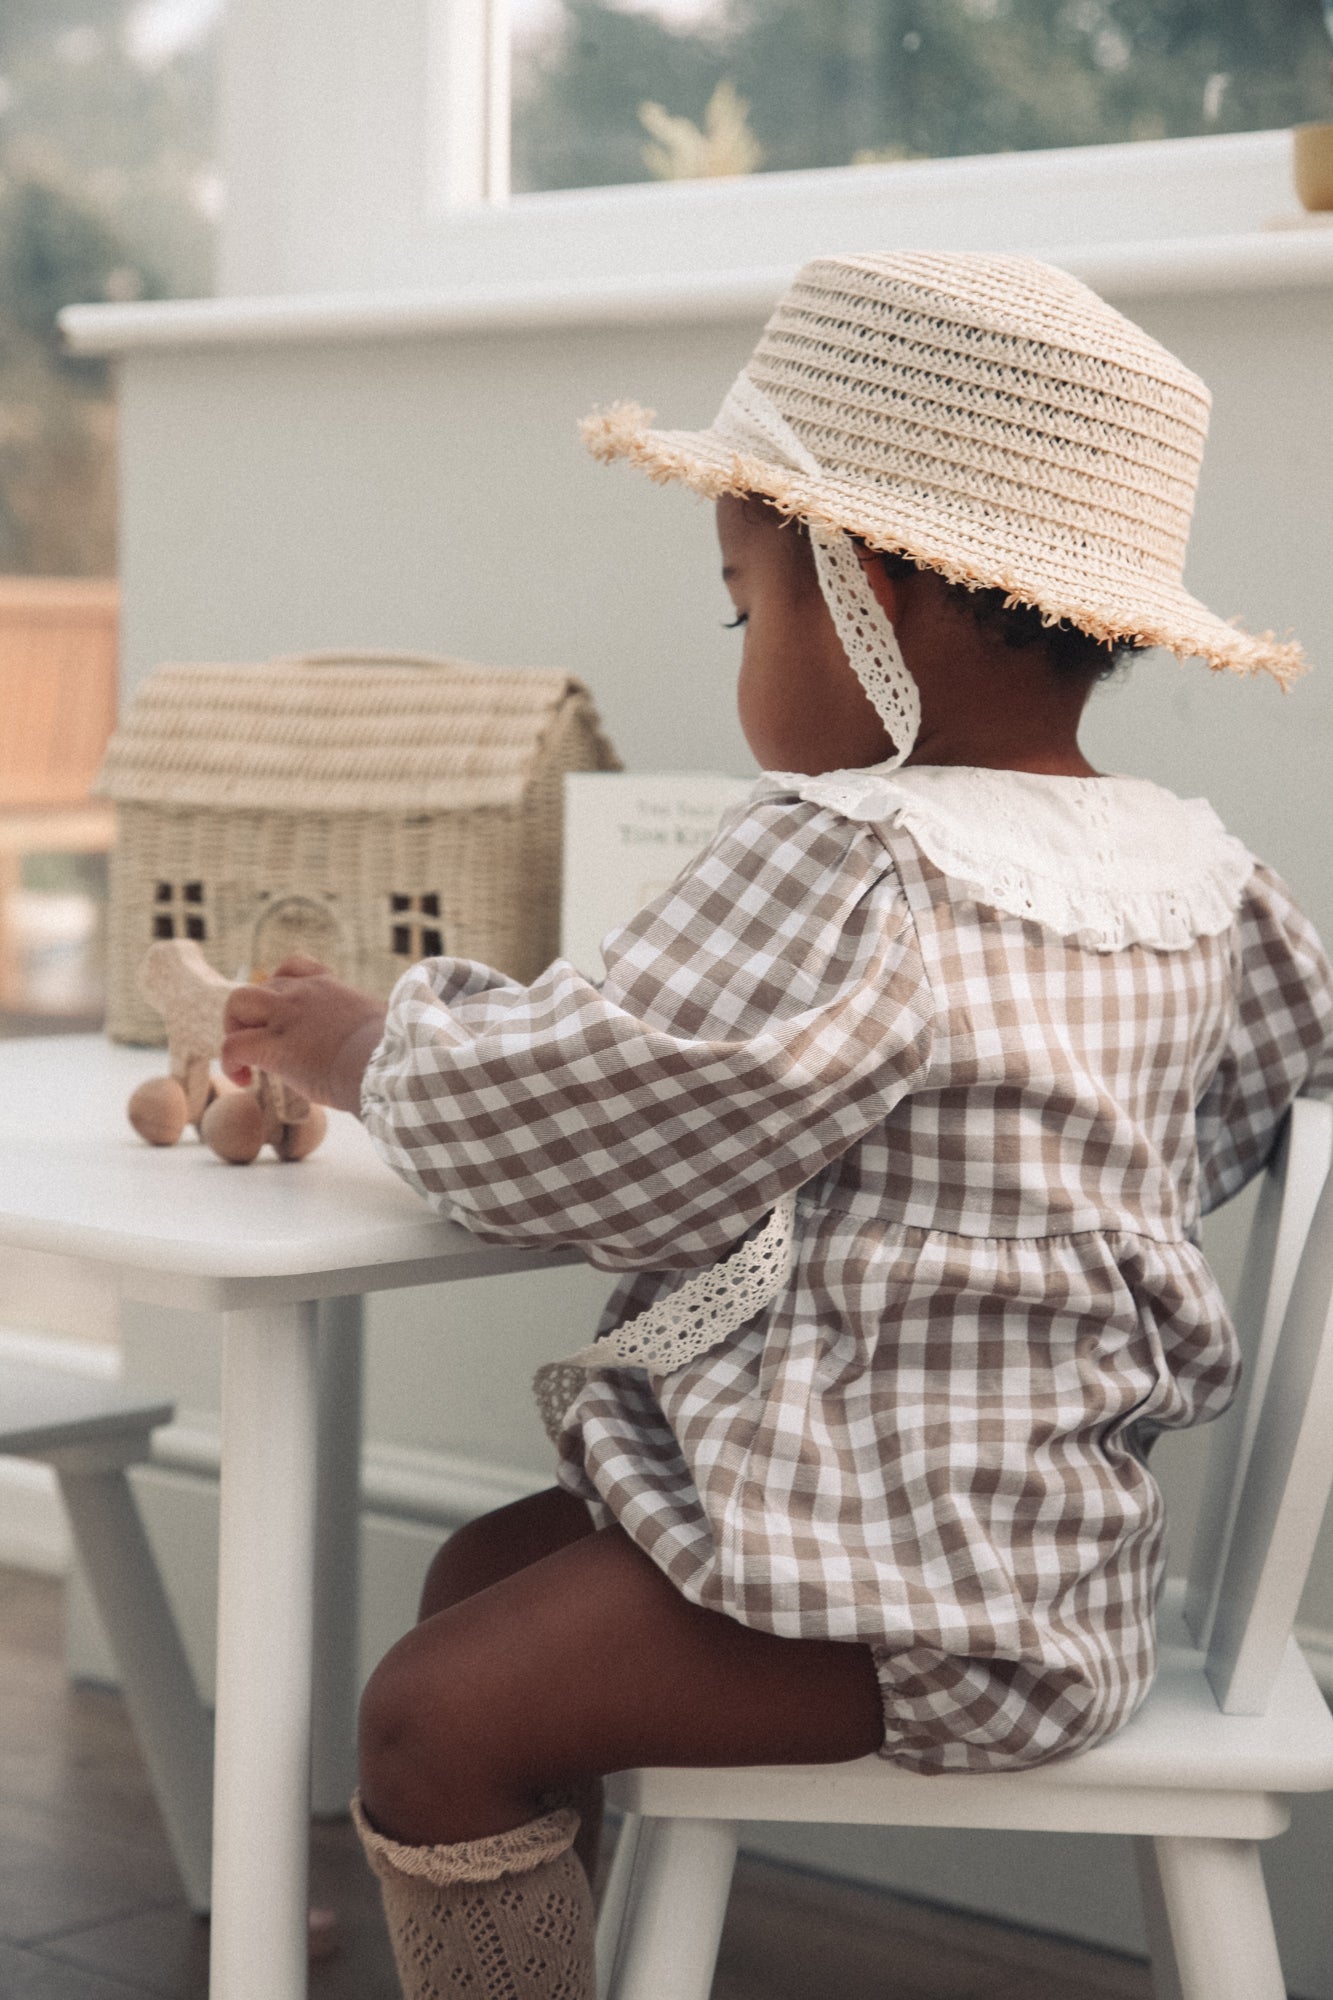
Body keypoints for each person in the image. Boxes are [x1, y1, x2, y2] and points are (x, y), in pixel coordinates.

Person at [220, 253, 1333, 2000]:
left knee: (427, 1715)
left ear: (867, 594)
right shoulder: (1195, 870)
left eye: (743, 610)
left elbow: (579, 1119)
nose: (743, 660)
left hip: (903, 1584)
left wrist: (375, 1047)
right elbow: (1233, 1116)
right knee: (474, 1573)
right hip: (1053, 1543)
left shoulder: (849, 855)